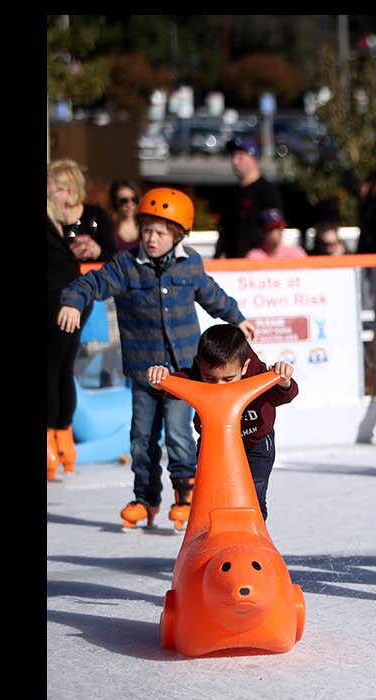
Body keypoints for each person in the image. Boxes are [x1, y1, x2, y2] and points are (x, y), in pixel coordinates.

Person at [56, 187, 257, 530]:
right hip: (143, 371)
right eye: (147, 229)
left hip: (181, 373)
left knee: (179, 433)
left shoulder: (189, 264)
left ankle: (185, 496)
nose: (152, 238)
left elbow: (212, 295)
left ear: (177, 234)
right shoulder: (126, 266)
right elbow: (91, 283)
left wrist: (236, 317)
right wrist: (72, 300)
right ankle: (145, 500)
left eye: (161, 232)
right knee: (141, 438)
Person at [146, 324, 298, 523]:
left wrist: (283, 381)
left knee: (253, 494)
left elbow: (284, 395)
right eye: (211, 379)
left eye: (228, 379)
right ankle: (214, 538)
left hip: (255, 445)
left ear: (243, 367)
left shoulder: (257, 374)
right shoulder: (197, 376)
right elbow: (177, 383)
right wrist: (160, 380)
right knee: (213, 495)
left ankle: (252, 536)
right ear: (200, 366)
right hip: (214, 445)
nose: (219, 387)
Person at [46, 159, 114, 481]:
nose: (54, 192)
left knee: (58, 363)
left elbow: (114, 251)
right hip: (58, 296)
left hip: (76, 297)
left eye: (59, 186)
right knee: (57, 365)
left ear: (73, 189)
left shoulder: (93, 217)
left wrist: (95, 247)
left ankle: (59, 437)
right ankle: (59, 439)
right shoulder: (53, 219)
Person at [215, 137, 283, 259]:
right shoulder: (232, 193)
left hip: (257, 264)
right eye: (233, 157)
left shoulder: (266, 190)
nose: (235, 162)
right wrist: (217, 256)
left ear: (253, 158)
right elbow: (224, 231)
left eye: (240, 157)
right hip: (232, 263)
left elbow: (275, 232)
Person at [109, 179, 142, 253]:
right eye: (123, 201)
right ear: (115, 202)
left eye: (134, 199)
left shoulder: (145, 226)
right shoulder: (109, 228)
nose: (129, 205)